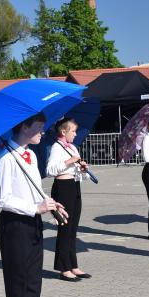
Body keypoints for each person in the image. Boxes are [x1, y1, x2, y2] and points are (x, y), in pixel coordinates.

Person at [0, 112, 67, 297]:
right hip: (15, 225)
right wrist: (35, 208)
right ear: (24, 127)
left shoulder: (31, 155)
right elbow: (3, 199)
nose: (43, 132)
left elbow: (34, 190)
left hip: (33, 222)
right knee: (19, 283)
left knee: (33, 282)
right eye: (39, 127)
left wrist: (50, 203)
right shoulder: (5, 159)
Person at [46, 118, 90, 281]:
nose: (75, 134)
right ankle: (63, 268)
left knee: (72, 229)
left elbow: (75, 172)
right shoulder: (57, 147)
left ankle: (73, 265)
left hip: (74, 186)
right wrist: (69, 161)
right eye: (73, 131)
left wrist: (82, 169)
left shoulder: (72, 147)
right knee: (65, 228)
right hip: (62, 188)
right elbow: (50, 170)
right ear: (63, 132)